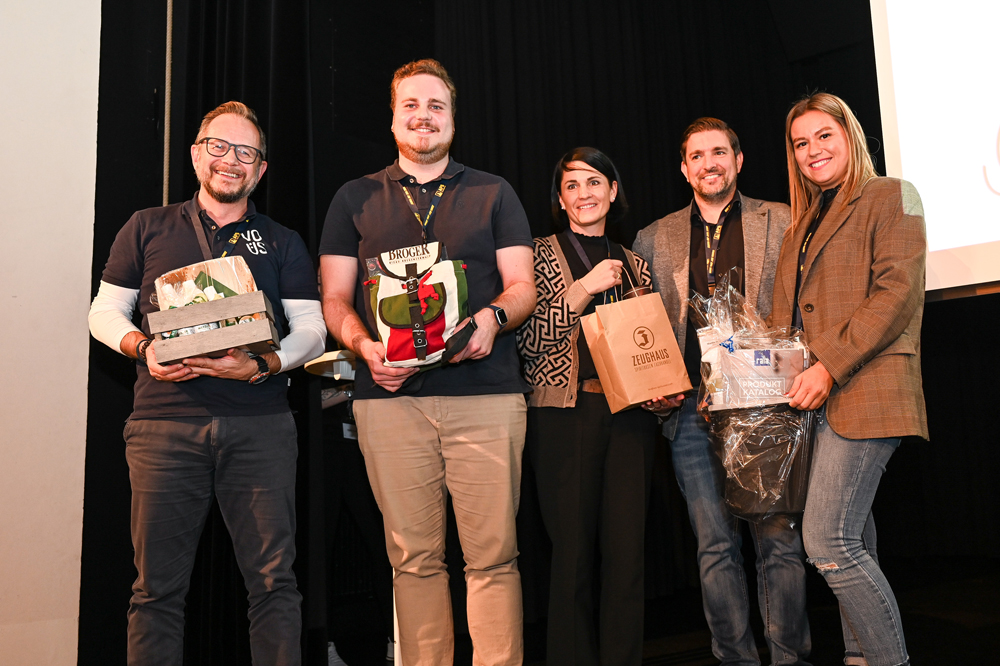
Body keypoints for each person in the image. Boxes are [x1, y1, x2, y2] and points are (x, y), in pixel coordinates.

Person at [88, 100, 327, 665]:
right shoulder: (146, 226)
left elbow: (313, 331)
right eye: (219, 146)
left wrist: (264, 365)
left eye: (246, 152)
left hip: (261, 427)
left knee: (274, 584)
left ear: (260, 169)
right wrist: (144, 348)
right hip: (163, 427)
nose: (230, 160)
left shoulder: (282, 240)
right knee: (155, 592)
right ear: (197, 155)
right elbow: (103, 312)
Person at [318, 58, 535, 666]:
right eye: (411, 105)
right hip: (389, 401)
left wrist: (492, 319)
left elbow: (522, 287)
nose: (424, 116)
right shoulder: (354, 198)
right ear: (392, 120)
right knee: (412, 561)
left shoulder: (494, 191)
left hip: (487, 396)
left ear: (453, 120)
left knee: (493, 558)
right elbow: (333, 299)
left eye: (436, 106)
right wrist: (363, 348)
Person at [633, 118, 811, 666]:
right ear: (684, 168)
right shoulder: (654, 237)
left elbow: (805, 307)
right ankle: (736, 659)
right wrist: (653, 387)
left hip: (766, 405)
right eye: (697, 156)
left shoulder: (782, 220)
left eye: (718, 152)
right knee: (714, 547)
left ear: (738, 160)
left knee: (779, 543)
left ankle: (789, 658)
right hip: (689, 412)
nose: (708, 163)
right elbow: (645, 325)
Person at [773, 93, 927, 666]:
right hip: (812, 400)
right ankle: (860, 657)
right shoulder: (802, 221)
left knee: (828, 540)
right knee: (856, 538)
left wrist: (828, 366)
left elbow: (895, 293)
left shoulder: (892, 194)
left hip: (865, 388)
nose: (812, 150)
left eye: (824, 136)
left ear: (850, 136)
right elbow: (786, 318)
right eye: (801, 142)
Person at [517, 148, 677, 666]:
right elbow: (529, 341)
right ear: (560, 200)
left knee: (628, 558)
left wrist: (663, 394)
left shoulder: (635, 263)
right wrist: (584, 288)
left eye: (593, 182)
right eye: (572, 186)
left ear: (612, 191)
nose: (583, 194)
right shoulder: (536, 255)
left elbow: (649, 344)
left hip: (629, 421)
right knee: (572, 558)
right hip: (564, 417)